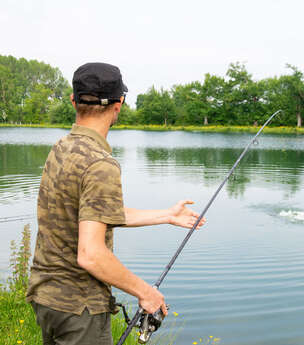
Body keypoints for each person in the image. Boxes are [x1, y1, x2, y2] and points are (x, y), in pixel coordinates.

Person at [26, 62, 205, 345]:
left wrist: (166, 215)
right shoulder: (100, 163)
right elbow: (91, 254)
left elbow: (93, 214)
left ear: (74, 101)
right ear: (118, 104)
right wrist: (146, 292)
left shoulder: (61, 148)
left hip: (46, 299)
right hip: (80, 309)